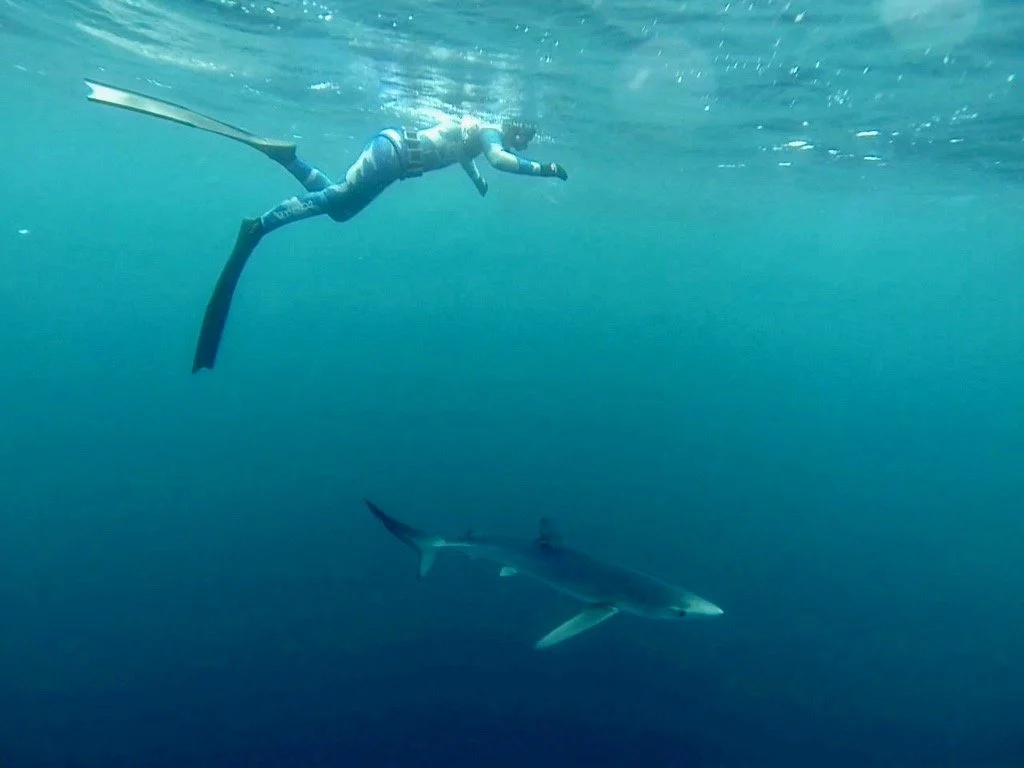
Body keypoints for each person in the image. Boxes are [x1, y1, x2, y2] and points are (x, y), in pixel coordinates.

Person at [84, 80, 569, 373]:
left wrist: (476, 181)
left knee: (339, 207)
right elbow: (503, 160)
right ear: (516, 127)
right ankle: (262, 225)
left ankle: (287, 158)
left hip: (394, 153)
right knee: (336, 200)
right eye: (525, 136)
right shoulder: (492, 134)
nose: (522, 142)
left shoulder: (479, 128)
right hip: (393, 156)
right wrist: (547, 170)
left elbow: (466, 155)